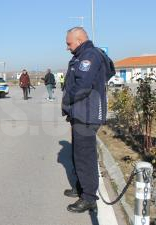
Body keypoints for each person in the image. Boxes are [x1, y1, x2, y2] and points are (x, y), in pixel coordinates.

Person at [62, 27, 114, 213]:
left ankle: (89, 197)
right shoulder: (81, 55)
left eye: (69, 43)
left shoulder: (89, 55)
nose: (67, 47)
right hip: (80, 112)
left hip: (87, 113)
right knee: (78, 153)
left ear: (79, 39)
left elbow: (82, 84)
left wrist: (67, 100)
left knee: (85, 156)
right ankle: (81, 187)